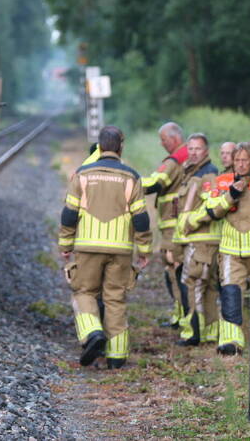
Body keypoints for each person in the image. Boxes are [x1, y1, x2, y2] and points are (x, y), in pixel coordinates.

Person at [185, 141, 250, 355]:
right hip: (231, 251)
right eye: (237, 161)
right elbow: (212, 211)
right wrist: (230, 195)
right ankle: (231, 342)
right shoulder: (221, 182)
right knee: (231, 295)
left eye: (245, 160)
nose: (241, 165)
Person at [60, 126, 151, 368]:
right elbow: (141, 218)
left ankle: (92, 333)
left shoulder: (82, 174)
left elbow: (69, 213)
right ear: (121, 147)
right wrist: (144, 249)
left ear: (99, 147)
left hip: (88, 246)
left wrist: (65, 243)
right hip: (120, 248)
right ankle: (117, 357)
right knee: (115, 299)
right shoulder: (132, 177)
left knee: (84, 292)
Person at [141, 122, 189, 329]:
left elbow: (154, 183)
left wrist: (127, 182)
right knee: (178, 269)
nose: (161, 144)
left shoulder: (174, 160)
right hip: (179, 222)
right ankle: (181, 315)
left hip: (173, 224)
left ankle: (182, 316)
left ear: (175, 138)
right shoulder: (189, 156)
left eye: (163, 139)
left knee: (174, 268)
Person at [174, 133, 219, 346]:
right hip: (197, 239)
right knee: (207, 286)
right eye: (190, 149)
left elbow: (212, 206)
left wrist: (190, 223)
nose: (193, 153)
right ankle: (210, 332)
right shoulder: (193, 172)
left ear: (206, 151)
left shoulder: (208, 174)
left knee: (192, 283)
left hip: (202, 239)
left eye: (197, 149)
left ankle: (193, 332)